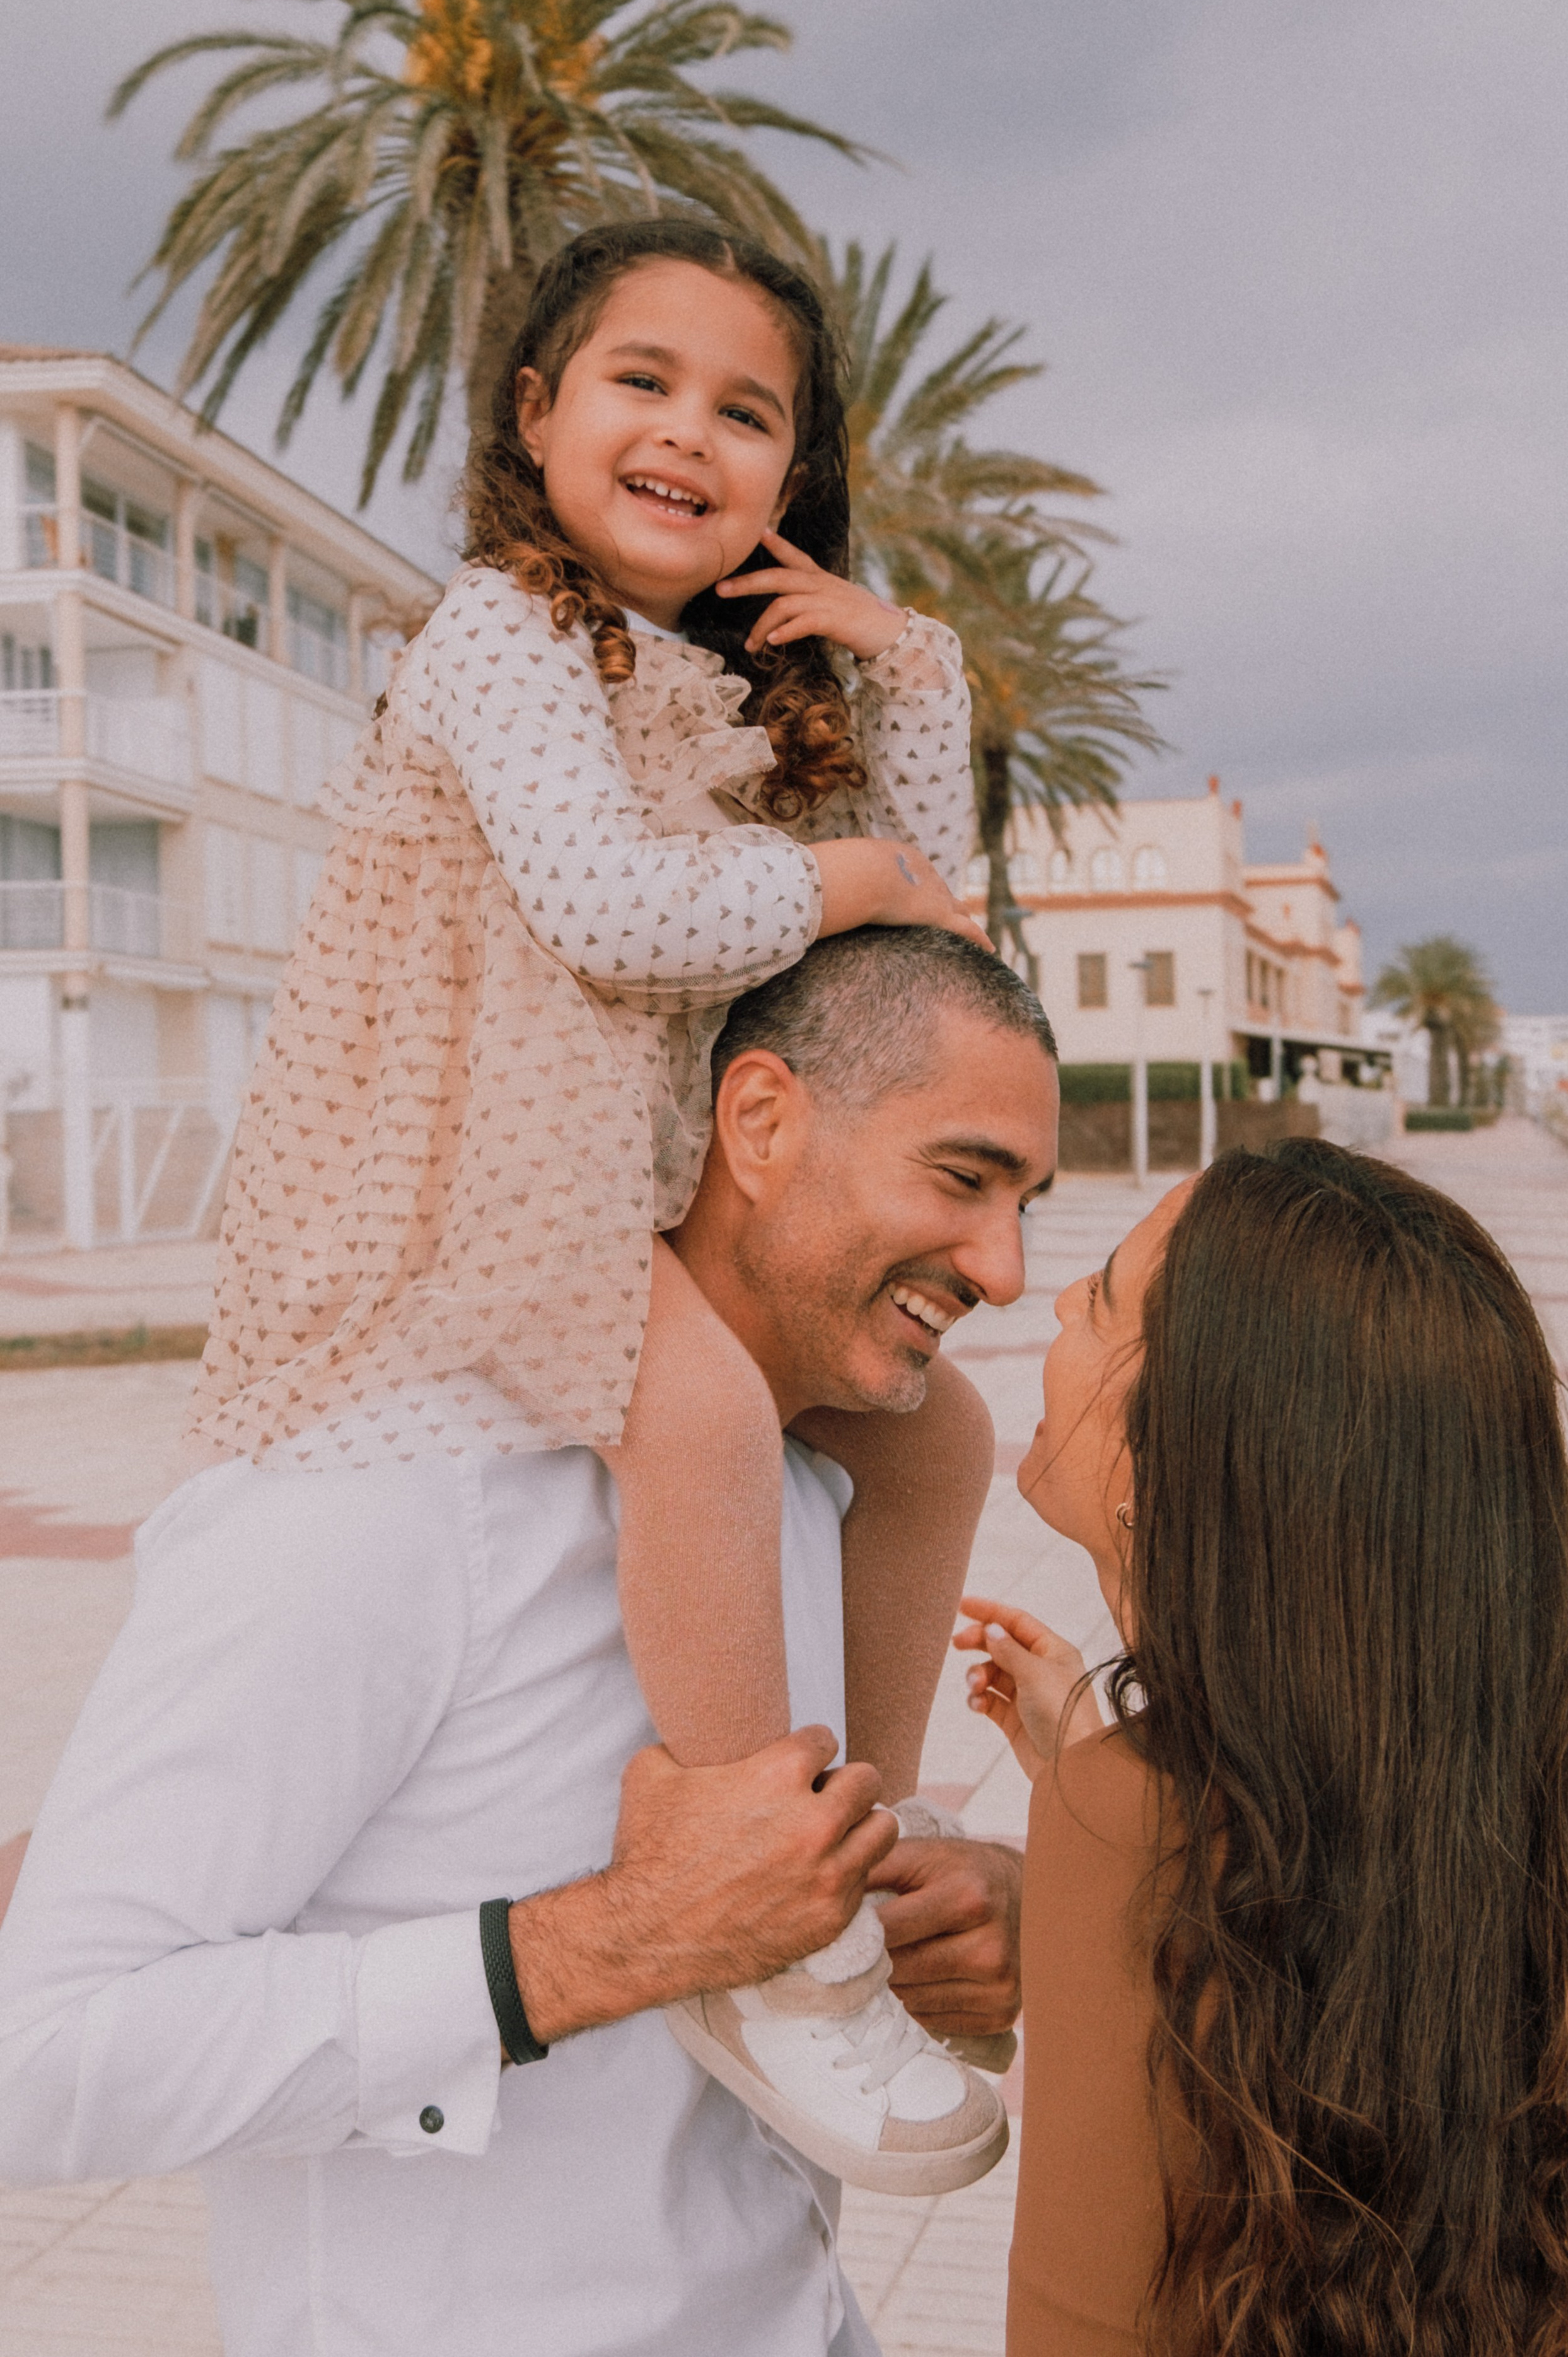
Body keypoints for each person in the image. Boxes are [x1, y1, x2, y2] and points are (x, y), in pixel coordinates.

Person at [185, 214, 1002, 2183]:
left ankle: (845, 1841)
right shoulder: (504, 638)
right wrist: (851, 885)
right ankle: (762, 1921)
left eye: (750, 415)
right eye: (645, 383)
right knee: (708, 1407)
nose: (690, 434)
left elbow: (935, 925)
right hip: (456, 1206)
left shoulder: (714, 695)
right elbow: (624, 914)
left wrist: (910, 672)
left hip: (619, 1209)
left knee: (935, 1420)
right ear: (539, 415)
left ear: (786, 487)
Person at [0, 924, 1059, 2357]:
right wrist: (586, 1952)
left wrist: (967, 1901)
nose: (1002, 1267)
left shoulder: (825, 1493)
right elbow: (41, 2049)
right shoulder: (383, 1492)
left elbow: (793, 1905)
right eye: (960, 1179)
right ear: (756, 1120)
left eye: (1026, 1205)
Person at [957, 1139, 1568, 2356]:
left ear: (1185, 1442)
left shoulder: (1128, 1826)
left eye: (1099, 1296)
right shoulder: (1506, 1854)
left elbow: (1078, 2327)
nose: (1050, 1302)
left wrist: (1101, 1811)